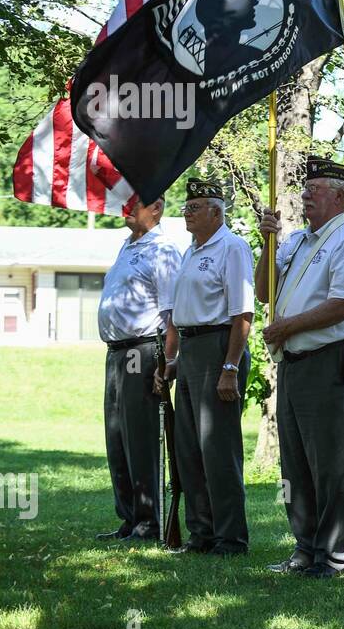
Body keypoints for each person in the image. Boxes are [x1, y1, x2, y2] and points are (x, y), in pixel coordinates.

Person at [256, 158, 344, 579]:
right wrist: (268, 242)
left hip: (329, 359)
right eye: (305, 188)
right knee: (296, 460)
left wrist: (286, 327)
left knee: (328, 459)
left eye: (315, 188)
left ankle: (333, 554)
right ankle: (305, 546)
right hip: (294, 361)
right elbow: (265, 290)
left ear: (339, 196)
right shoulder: (298, 241)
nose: (305, 194)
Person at [155, 180, 254, 556]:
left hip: (218, 346)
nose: (186, 211)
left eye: (195, 206)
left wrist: (230, 366)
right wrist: (173, 361)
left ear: (216, 212)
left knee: (218, 448)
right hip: (193, 350)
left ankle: (230, 538)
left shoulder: (232, 248)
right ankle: (201, 533)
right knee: (189, 448)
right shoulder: (190, 251)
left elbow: (242, 313)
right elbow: (182, 314)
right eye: (187, 205)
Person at [96, 195, 183, 542]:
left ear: (157, 207)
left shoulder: (163, 250)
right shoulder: (126, 246)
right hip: (116, 351)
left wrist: (167, 364)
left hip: (142, 349)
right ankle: (129, 517)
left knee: (139, 436)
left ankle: (149, 522)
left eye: (135, 203)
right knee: (117, 435)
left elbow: (173, 315)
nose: (125, 208)